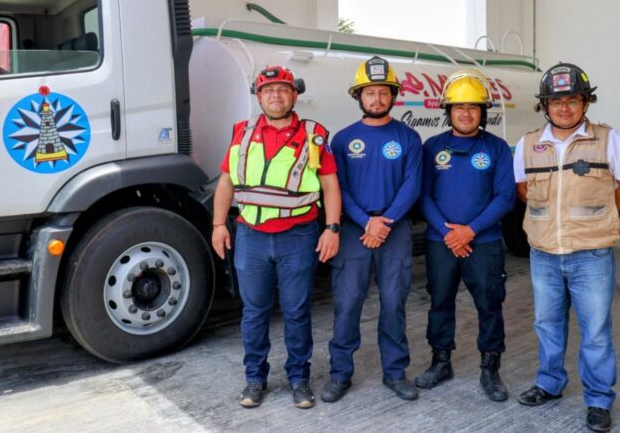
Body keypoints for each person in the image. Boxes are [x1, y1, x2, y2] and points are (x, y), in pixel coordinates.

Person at [514, 63, 620, 432]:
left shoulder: (608, 139)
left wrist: (600, 215)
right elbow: (523, 190)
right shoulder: (527, 143)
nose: (564, 107)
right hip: (544, 254)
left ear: (586, 102)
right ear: (545, 105)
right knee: (547, 324)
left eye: (572, 100)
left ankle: (598, 399)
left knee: (595, 331)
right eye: (556, 101)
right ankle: (550, 383)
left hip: (591, 255)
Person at [211, 65, 341, 410]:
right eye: (268, 90)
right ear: (259, 96)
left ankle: (299, 379)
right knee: (254, 312)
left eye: (283, 89)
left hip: (298, 236)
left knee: (296, 312)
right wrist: (219, 224)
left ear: (295, 95)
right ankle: (255, 379)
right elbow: (226, 181)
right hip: (251, 236)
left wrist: (332, 228)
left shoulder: (314, 134)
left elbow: (330, 184)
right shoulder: (242, 132)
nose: (276, 95)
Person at [320, 56, 422, 403]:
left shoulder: (409, 137)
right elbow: (338, 188)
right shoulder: (343, 139)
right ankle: (340, 374)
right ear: (358, 96)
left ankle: (395, 372)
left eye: (383, 92)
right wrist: (367, 222)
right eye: (369, 92)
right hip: (355, 230)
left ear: (393, 95)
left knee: (394, 302)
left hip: (395, 228)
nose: (376, 99)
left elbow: (412, 186)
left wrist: (385, 221)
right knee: (348, 303)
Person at [415, 69, 515, 401]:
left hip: (483, 243)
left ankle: (490, 369)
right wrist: (448, 232)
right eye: (459, 107)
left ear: (483, 112)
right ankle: (441, 362)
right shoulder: (432, 147)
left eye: (474, 107)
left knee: (490, 303)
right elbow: (423, 195)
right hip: (441, 241)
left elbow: (505, 197)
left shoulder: (497, 148)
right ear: (448, 111)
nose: (466, 113)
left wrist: (470, 230)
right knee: (440, 302)